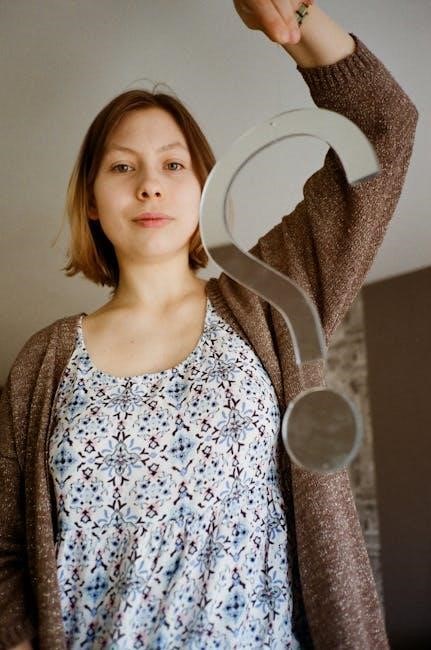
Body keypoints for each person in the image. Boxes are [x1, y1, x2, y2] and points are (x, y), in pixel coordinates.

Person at [0, 1, 418, 649]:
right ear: (91, 200)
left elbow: (382, 127)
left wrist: (294, 17)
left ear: (206, 189)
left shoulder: (273, 298)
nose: (149, 185)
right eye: (121, 166)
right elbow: (5, 548)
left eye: (173, 164)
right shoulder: (41, 362)